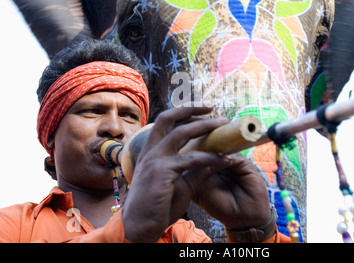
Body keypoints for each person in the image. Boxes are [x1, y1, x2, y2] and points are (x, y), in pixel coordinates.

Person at [0, 40, 289, 243]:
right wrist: (129, 232)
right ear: (49, 138)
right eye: (92, 111)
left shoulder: (182, 235)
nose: (114, 128)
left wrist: (253, 233)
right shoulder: (13, 227)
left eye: (128, 116)